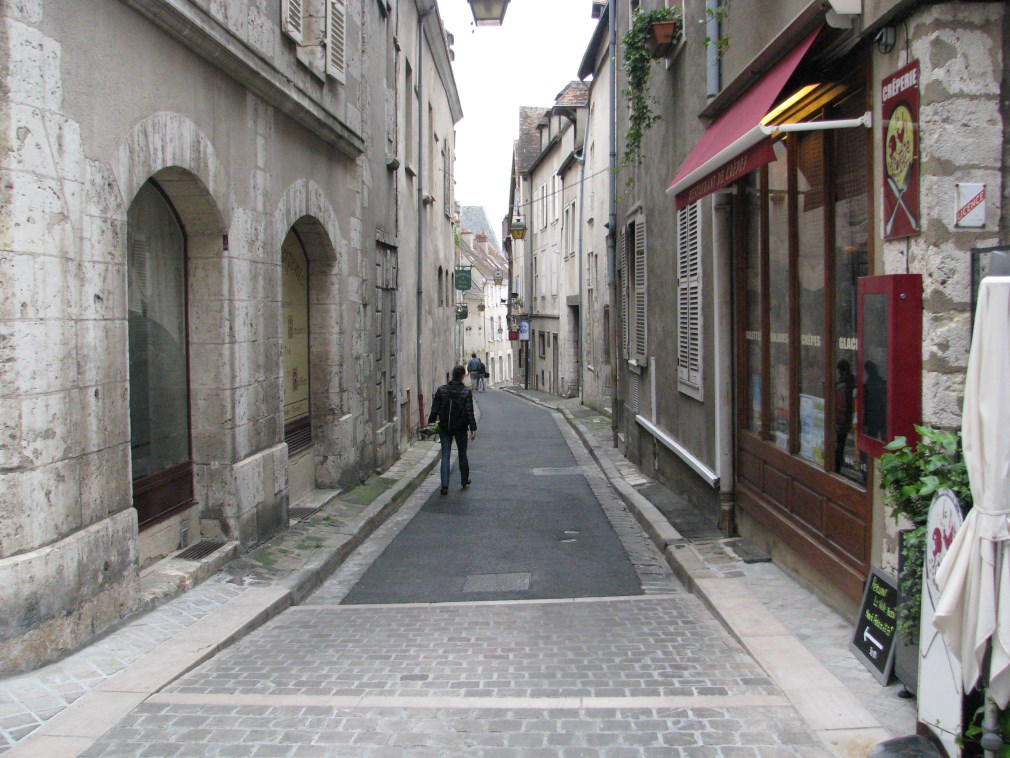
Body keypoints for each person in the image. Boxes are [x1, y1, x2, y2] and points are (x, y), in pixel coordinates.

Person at [428, 365, 477, 495]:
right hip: (461, 427)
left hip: (445, 426)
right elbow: (469, 411)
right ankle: (464, 480)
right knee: (462, 454)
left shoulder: (441, 390)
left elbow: (435, 408)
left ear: (451, 375)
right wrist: (473, 428)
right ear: (462, 376)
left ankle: (444, 485)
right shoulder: (466, 392)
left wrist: (430, 423)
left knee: (445, 455)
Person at [834, 359, 856, 471]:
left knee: (840, 442)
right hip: (846, 415)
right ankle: (837, 463)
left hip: (843, 416)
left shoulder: (843, 383)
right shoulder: (851, 381)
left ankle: (837, 464)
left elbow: (841, 402)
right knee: (841, 441)